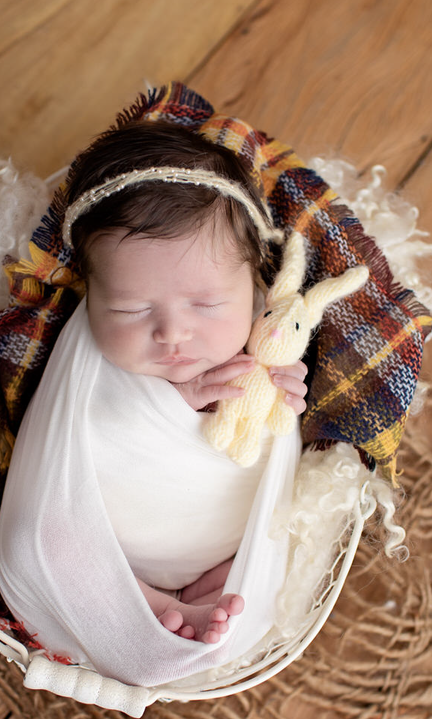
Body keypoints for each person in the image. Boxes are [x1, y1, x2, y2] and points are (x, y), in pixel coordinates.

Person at [46, 120, 309, 645]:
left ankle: (206, 598)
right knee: (51, 544)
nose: (171, 333)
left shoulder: (262, 327)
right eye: (130, 307)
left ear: (253, 278)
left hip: (223, 538)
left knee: (270, 559)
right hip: (115, 542)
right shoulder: (89, 353)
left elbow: (273, 444)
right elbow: (83, 434)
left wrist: (287, 393)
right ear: (90, 292)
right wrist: (172, 403)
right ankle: (144, 600)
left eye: (206, 304)